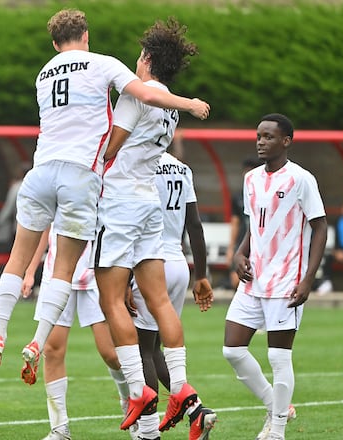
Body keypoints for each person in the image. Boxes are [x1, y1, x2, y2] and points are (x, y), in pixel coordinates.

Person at [0, 8, 210, 387]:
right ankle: (38, 342)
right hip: (93, 180)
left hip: (40, 172)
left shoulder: (43, 73)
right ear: (86, 36)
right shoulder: (103, 63)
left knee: (17, 262)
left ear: (55, 44)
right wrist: (189, 104)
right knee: (66, 273)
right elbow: (141, 94)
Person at [95, 17, 216, 440]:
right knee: (159, 298)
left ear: (146, 58)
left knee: (110, 299)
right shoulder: (168, 109)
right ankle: (180, 386)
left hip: (122, 201)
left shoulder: (138, 97)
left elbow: (111, 147)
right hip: (150, 205)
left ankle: (139, 391)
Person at [223, 113, 327, 440]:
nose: (261, 142)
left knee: (278, 357)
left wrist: (309, 278)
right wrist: (240, 254)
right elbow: (254, 227)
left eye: (268, 137)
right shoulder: (251, 178)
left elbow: (320, 227)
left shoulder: (301, 179)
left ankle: (277, 431)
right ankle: (276, 405)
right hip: (254, 280)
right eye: (258, 136)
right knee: (233, 350)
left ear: (286, 141)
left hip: (287, 284)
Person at [126, 149, 215, 440]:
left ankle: (149, 431)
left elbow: (132, 223)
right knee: (154, 348)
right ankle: (195, 410)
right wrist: (201, 274)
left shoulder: (137, 163)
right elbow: (195, 226)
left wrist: (125, 277)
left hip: (150, 263)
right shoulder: (181, 167)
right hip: (178, 263)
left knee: (142, 350)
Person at [21, 225, 130, 440]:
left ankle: (131, 405)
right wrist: (31, 270)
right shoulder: (53, 191)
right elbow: (43, 227)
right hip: (57, 275)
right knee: (52, 350)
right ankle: (59, 429)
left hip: (96, 274)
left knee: (111, 353)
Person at [226, 158, 262, 290]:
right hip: (243, 241)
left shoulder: (266, 194)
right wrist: (231, 248)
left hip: (259, 243)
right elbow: (235, 222)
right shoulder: (238, 197)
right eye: (245, 171)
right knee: (235, 281)